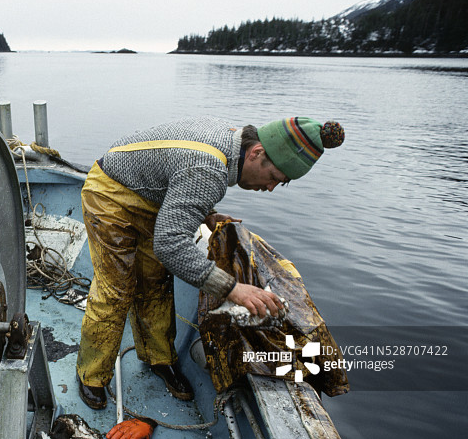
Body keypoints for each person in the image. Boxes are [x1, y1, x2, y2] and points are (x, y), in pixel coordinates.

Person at [76, 116, 345, 409]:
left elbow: (183, 175)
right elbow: (172, 246)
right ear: (256, 153)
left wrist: (205, 210)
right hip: (110, 194)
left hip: (151, 196)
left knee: (155, 283)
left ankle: (159, 359)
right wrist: (232, 289)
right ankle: (91, 376)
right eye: (274, 178)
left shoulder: (230, 141)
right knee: (116, 290)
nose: (269, 188)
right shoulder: (210, 169)